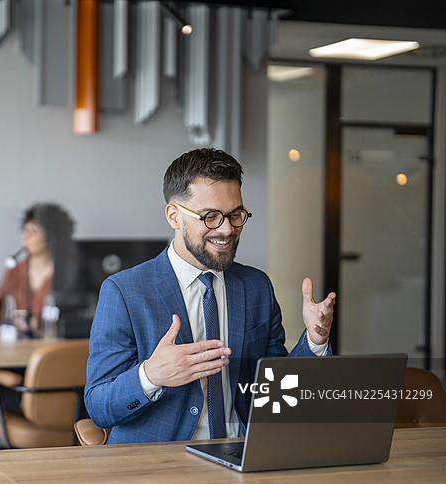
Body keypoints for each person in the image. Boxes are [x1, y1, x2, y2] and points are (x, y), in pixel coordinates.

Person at [84, 148, 336, 444]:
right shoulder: (124, 291)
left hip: (242, 454)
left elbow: (275, 393)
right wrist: (151, 375)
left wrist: (314, 342)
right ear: (174, 216)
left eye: (235, 215)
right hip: (158, 466)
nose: (227, 229)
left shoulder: (256, 286)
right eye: (211, 217)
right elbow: (99, 407)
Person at [0, 202, 78, 337]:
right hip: (20, 344)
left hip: (55, 344)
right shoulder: (15, 270)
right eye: (25, 231)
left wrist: (40, 322)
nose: (26, 237)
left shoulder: (68, 271)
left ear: (51, 235)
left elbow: (76, 315)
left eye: (34, 231)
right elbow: (0, 319)